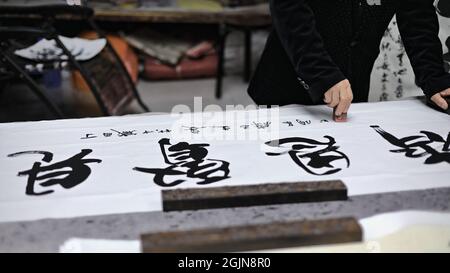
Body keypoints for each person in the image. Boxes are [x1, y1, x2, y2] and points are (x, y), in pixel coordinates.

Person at [248, 0, 450, 121]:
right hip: (289, 82)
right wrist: (322, 73)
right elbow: (289, 9)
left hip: (352, 88)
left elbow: (417, 20)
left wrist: (434, 78)